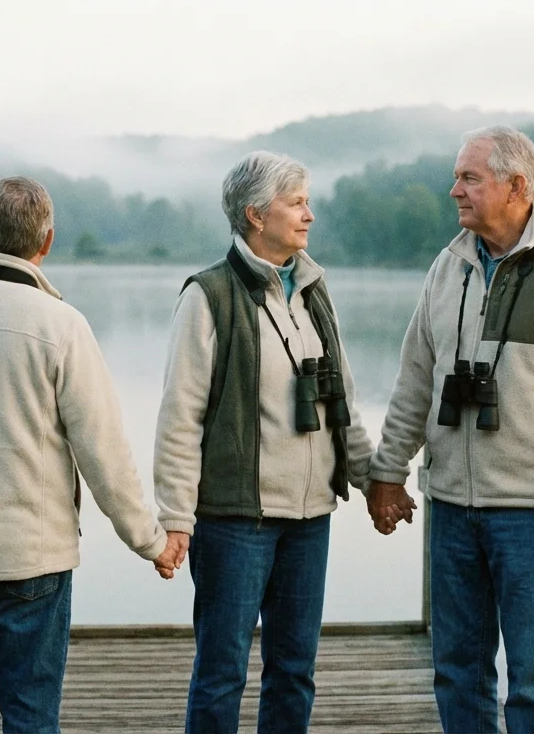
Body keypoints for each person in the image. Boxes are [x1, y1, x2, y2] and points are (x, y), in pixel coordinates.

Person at [0, 176, 185, 734]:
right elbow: (104, 451)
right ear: (46, 242)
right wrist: (151, 542)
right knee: (30, 716)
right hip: (32, 559)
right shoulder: (62, 326)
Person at [366, 126, 534, 733]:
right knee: (457, 669)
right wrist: (387, 472)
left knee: (532, 681)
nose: (453, 189)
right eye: (457, 176)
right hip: (452, 506)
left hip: (532, 515)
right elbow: (415, 380)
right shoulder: (447, 265)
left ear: (516, 186)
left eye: (469, 178)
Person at [153, 151, 387, 733]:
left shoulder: (313, 290)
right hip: (235, 520)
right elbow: (180, 417)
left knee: (294, 671)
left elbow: (341, 400)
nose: (309, 214)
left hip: (311, 519)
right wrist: (176, 518)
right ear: (256, 215)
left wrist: (373, 480)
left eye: (307, 201)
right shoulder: (207, 295)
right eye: (296, 203)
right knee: (221, 672)